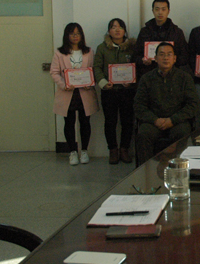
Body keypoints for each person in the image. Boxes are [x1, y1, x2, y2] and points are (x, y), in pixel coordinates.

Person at [134, 42, 199, 165]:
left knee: (182, 133)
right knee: (143, 134)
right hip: (153, 121)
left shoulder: (185, 78)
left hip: (177, 121)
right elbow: (139, 106)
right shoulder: (146, 78)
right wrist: (154, 120)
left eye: (169, 54)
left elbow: (193, 105)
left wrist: (173, 120)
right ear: (155, 58)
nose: (165, 58)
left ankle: (179, 169)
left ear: (174, 58)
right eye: (162, 54)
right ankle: (145, 171)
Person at [50, 23, 99, 166]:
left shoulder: (89, 51)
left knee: (85, 122)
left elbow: (94, 70)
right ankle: (72, 152)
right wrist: (64, 85)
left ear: (82, 35)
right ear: (67, 36)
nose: (75, 36)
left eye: (78, 33)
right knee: (69, 122)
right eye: (72, 34)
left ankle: (84, 151)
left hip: (85, 92)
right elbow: (54, 72)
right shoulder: (59, 53)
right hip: (67, 92)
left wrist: (90, 82)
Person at [93, 18, 136, 164]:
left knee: (127, 121)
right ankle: (112, 149)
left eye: (120, 27)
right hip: (109, 91)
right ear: (109, 31)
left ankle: (124, 149)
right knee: (110, 122)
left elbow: (137, 67)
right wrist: (103, 83)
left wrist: (131, 81)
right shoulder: (102, 48)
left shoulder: (132, 47)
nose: (117, 30)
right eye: (113, 27)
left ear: (124, 30)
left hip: (127, 91)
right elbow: (97, 67)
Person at [134, 0, 189, 79]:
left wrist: (172, 60)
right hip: (149, 75)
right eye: (157, 9)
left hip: (172, 76)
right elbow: (135, 56)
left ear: (168, 11)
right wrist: (142, 60)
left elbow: (185, 56)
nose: (160, 12)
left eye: (163, 9)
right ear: (153, 11)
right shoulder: (144, 32)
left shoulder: (177, 32)